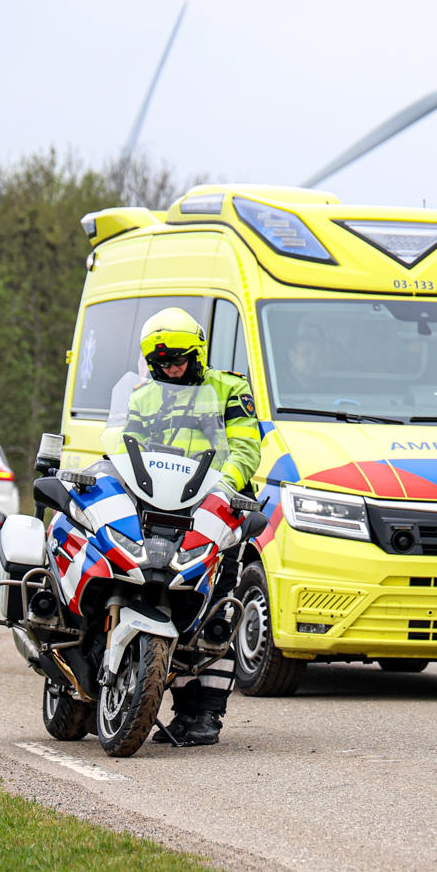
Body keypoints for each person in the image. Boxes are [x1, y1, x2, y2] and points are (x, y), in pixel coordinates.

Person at [120, 307, 262, 747]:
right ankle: (138, 691)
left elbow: (246, 448)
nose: (171, 367)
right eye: (162, 361)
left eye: (179, 358)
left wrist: (222, 488)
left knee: (214, 609)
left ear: (197, 353)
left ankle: (203, 716)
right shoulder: (144, 396)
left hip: (217, 507)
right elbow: (129, 445)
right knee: (156, 593)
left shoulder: (230, 387)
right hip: (157, 505)